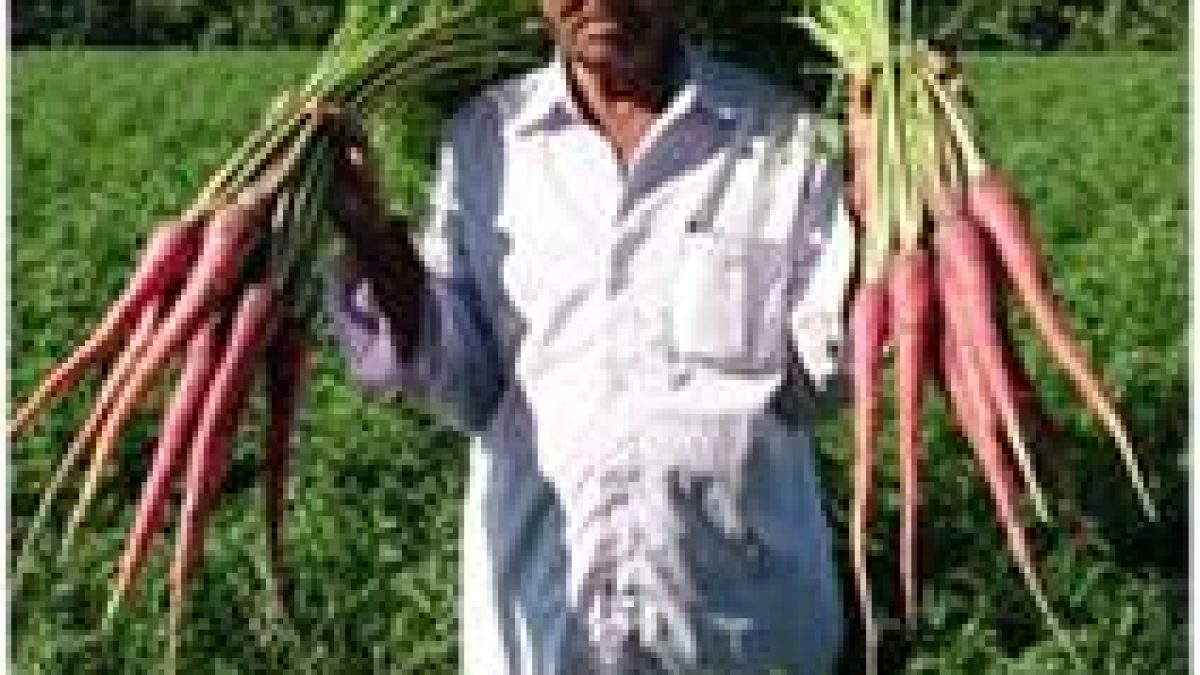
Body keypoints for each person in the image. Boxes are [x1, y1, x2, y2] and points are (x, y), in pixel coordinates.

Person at [325, 0, 855, 672]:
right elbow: (464, 383)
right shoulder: (486, 142)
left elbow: (822, 379)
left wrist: (881, 220)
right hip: (546, 627)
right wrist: (375, 242)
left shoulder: (781, 139)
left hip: (740, 630)